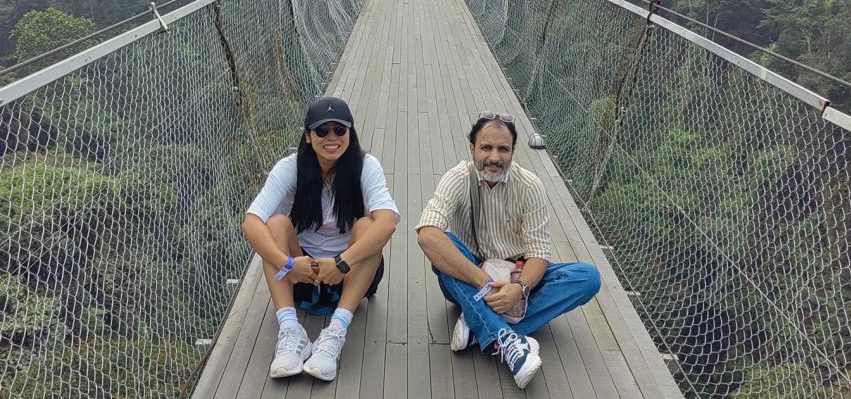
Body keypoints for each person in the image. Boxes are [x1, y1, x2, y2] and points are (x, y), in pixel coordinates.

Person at [416, 112, 601, 389]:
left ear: (513, 151)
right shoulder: (458, 178)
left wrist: (520, 288)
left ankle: (480, 325)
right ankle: (506, 338)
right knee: (444, 247)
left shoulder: (529, 186)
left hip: (516, 273)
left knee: (588, 277)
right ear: (472, 149)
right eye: (486, 148)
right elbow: (427, 236)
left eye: (503, 149)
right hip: (472, 275)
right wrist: (486, 285)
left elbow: (538, 254)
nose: (494, 157)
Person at [243, 96, 399, 381]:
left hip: (349, 275)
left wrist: (340, 263)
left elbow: (388, 223)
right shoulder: (290, 167)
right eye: (322, 130)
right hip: (301, 272)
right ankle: (291, 330)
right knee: (275, 224)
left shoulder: (366, 166)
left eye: (339, 130)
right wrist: (288, 264)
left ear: (350, 134)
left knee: (368, 227)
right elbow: (251, 223)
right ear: (307, 136)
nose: (331, 137)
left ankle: (335, 333)